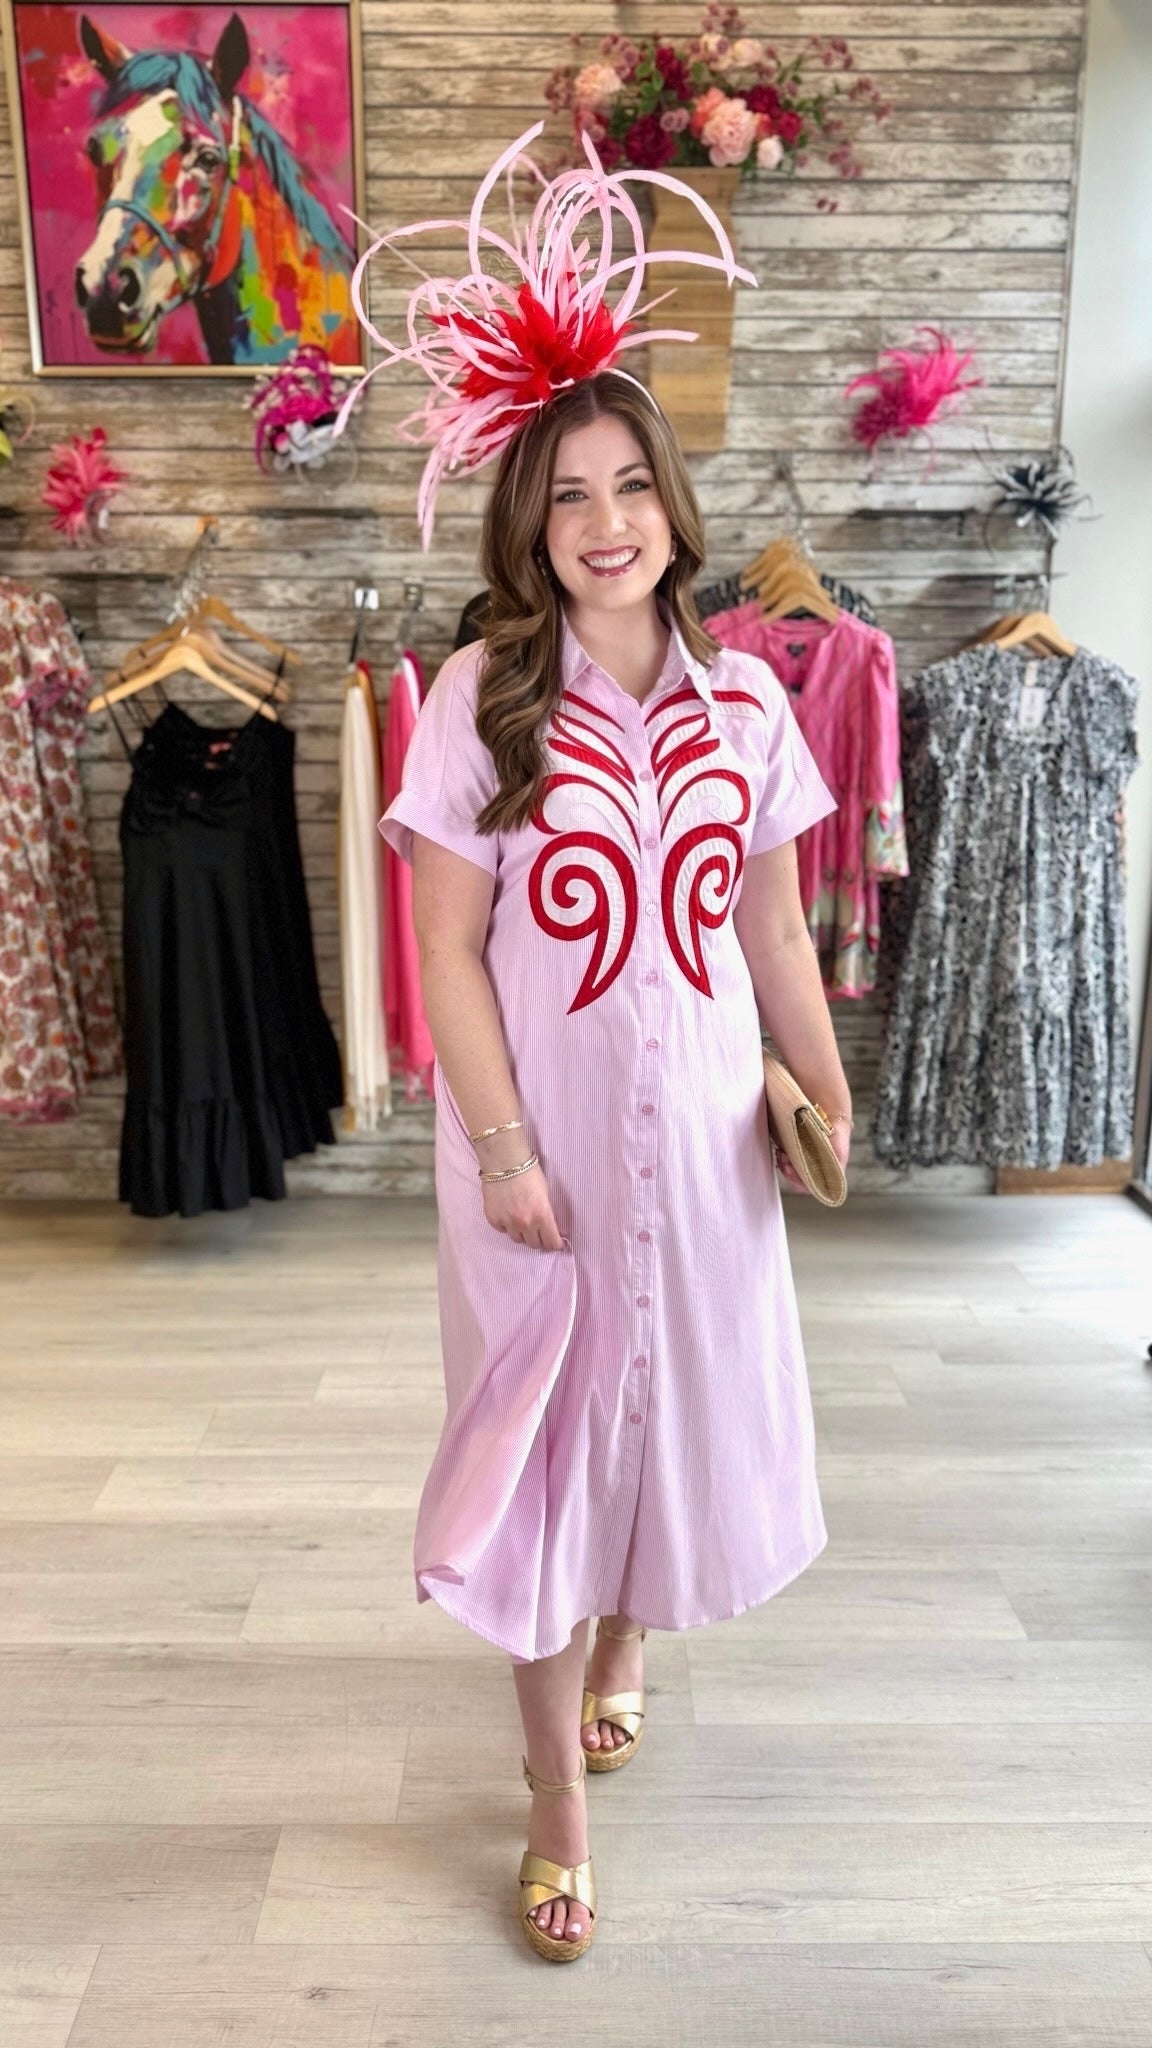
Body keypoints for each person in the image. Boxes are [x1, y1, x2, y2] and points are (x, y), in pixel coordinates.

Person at [364, 125, 853, 1964]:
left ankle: (628, 1641)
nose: (603, 522)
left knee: (671, 1410)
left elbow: (771, 927)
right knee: (541, 1453)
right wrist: (500, 1148)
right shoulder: (476, 702)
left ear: (673, 504)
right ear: (529, 523)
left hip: (710, 1138)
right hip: (541, 1147)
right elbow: (445, 949)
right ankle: (551, 1801)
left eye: (631, 483)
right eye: (567, 495)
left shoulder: (750, 703)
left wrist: (822, 1090)